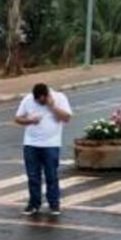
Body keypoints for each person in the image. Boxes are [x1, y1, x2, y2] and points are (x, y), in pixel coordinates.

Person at [14, 82, 73, 216]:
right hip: (31, 143)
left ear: (47, 95)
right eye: (38, 100)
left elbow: (67, 117)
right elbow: (18, 118)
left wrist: (52, 106)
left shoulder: (59, 98)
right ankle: (34, 204)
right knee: (33, 176)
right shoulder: (28, 99)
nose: (41, 102)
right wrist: (29, 120)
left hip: (51, 144)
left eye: (43, 100)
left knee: (51, 175)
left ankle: (54, 204)